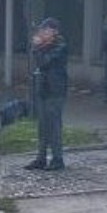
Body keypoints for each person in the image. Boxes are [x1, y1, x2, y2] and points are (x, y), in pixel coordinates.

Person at [28, 18, 70, 171]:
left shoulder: (60, 45)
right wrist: (38, 47)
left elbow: (44, 62)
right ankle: (41, 158)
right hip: (44, 88)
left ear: (54, 31)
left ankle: (57, 159)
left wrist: (38, 48)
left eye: (46, 30)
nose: (43, 33)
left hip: (56, 89)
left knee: (54, 126)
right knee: (42, 126)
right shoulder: (45, 46)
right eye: (42, 29)